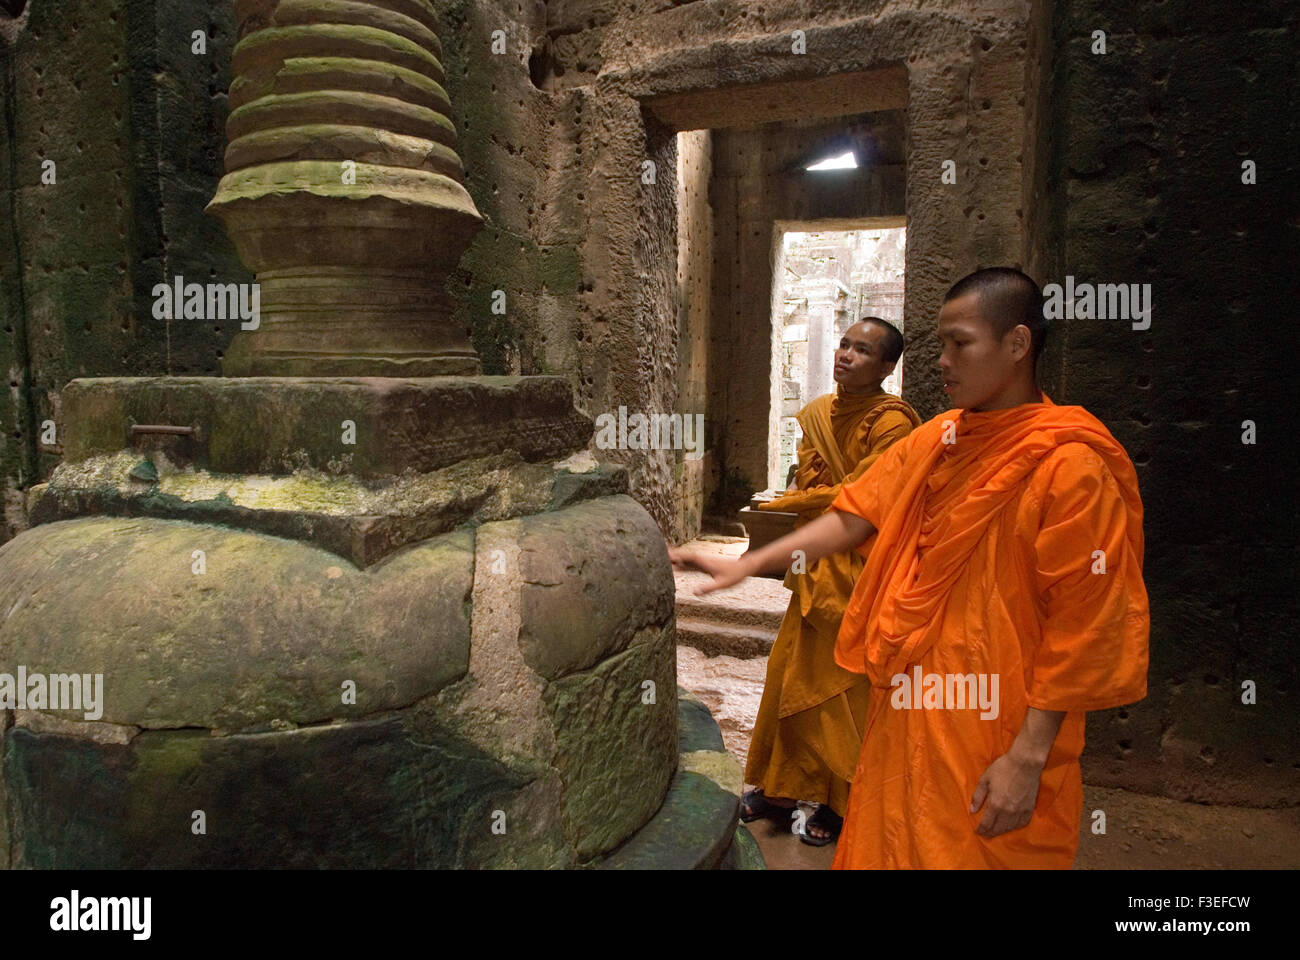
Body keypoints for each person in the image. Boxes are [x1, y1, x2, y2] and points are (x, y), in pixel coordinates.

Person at [671, 268, 1149, 867]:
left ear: (1018, 344)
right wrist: (748, 564)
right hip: (911, 697)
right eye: (941, 343)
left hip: (999, 720)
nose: (944, 361)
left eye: (960, 343)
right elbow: (854, 514)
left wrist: (1028, 758)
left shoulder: (1071, 468)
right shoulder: (942, 438)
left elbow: (1083, 628)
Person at [730, 318, 919, 845]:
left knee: (843, 687)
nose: (846, 356)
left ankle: (843, 801)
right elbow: (813, 480)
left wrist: (784, 503)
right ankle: (780, 788)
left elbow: (864, 492)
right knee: (790, 675)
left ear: (886, 367)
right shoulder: (816, 414)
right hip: (815, 571)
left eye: (863, 351)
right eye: (844, 344)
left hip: (861, 564)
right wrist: (793, 500)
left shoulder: (894, 424)